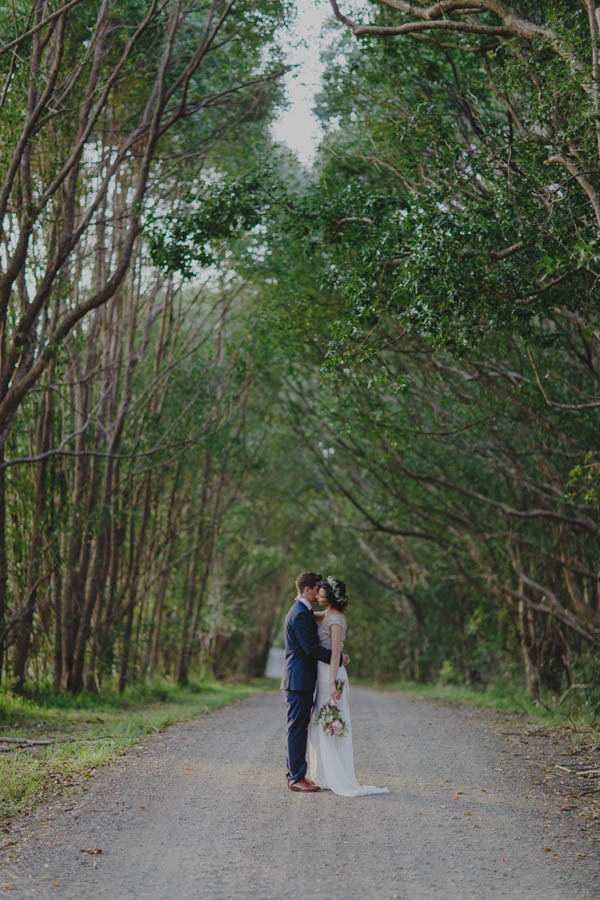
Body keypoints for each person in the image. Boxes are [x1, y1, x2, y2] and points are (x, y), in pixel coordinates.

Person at [307, 576, 389, 797]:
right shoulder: (328, 614)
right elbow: (311, 615)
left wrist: (332, 682)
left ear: (331, 596)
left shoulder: (335, 619)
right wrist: (300, 603)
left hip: (331, 675)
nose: (317, 596)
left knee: (329, 723)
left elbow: (335, 654)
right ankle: (322, 775)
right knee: (321, 723)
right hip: (325, 674)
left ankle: (335, 776)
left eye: (321, 594)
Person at [280, 571, 348, 792]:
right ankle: (296, 778)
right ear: (307, 590)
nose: (319, 590)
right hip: (298, 680)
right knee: (297, 729)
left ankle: (296, 773)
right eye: (317, 587)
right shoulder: (300, 613)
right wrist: (338, 659)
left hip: (303, 680)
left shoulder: (304, 610)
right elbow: (311, 649)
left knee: (300, 728)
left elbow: (324, 617)